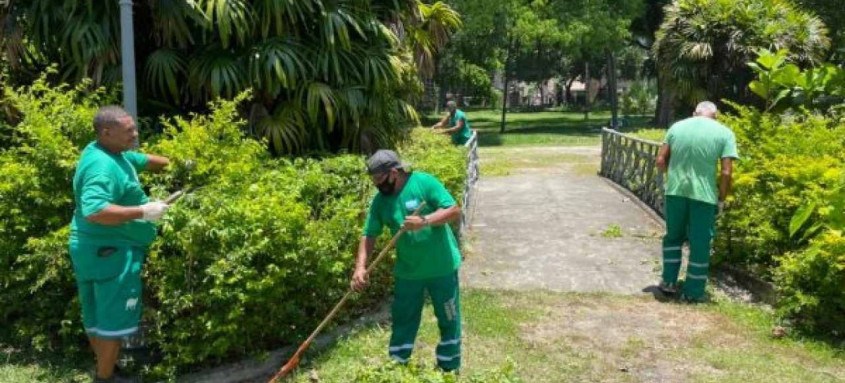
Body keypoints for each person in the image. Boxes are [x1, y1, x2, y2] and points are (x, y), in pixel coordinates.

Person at [69, 106, 172, 383]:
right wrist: (144, 212)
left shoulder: (107, 151)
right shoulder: (102, 168)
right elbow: (95, 210)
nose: (135, 135)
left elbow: (144, 160)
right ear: (107, 132)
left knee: (96, 316)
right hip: (111, 252)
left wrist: (173, 163)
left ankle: (107, 367)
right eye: (129, 131)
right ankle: (105, 379)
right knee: (112, 321)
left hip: (90, 248)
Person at [351, 149, 463, 372]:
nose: (376, 184)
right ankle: (397, 367)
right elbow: (369, 234)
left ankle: (449, 368)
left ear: (394, 172)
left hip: (441, 268)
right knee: (403, 320)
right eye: (373, 179)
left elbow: (454, 210)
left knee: (449, 319)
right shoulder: (381, 201)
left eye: (379, 178)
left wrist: (425, 220)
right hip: (408, 273)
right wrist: (360, 266)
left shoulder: (424, 182)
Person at [655, 101, 739, 302]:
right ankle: (693, 291)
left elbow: (660, 160)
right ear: (715, 116)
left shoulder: (676, 127)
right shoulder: (725, 133)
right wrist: (721, 199)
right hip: (704, 195)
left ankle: (668, 282)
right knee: (700, 243)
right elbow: (727, 172)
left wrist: (669, 178)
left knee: (673, 237)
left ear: (694, 113)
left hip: (675, 191)